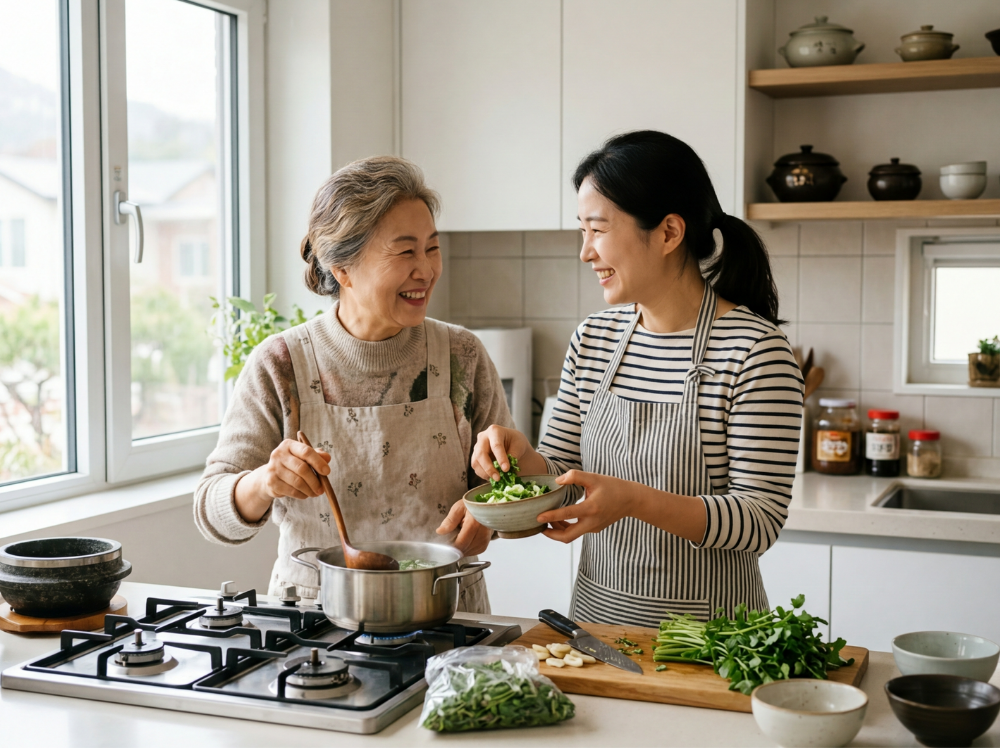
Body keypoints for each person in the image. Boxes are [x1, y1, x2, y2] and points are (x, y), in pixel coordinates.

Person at [465, 131, 803, 626]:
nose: (585, 252)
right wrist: (522, 456)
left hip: (712, 639)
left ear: (668, 233)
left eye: (597, 230)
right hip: (596, 625)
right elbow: (561, 471)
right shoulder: (593, 339)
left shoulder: (755, 351)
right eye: (582, 231)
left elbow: (758, 520)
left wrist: (634, 501)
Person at [195, 156, 512, 611]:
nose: (426, 269)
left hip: (445, 613)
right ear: (342, 269)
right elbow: (212, 513)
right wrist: (266, 481)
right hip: (315, 627)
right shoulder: (282, 365)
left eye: (432, 248)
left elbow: (511, 487)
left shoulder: (461, 356)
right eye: (405, 251)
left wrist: (490, 514)